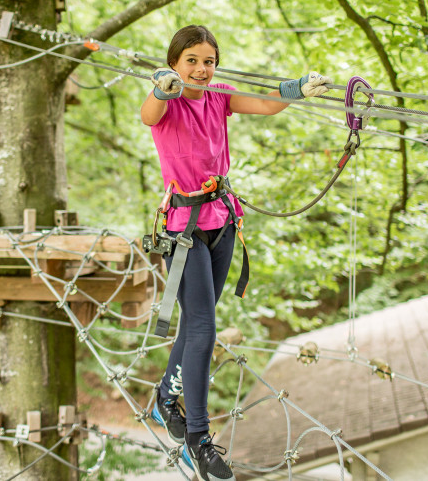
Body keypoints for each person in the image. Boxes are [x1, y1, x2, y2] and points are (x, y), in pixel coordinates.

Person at [141, 25, 334, 481]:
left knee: (195, 321)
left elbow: (266, 103)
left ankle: (164, 400)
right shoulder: (166, 98)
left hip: (223, 221)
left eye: (208, 61)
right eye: (192, 60)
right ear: (174, 62)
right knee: (203, 329)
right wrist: (161, 88)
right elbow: (149, 115)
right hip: (184, 230)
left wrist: (297, 90)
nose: (202, 69)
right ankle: (198, 440)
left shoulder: (219, 96)